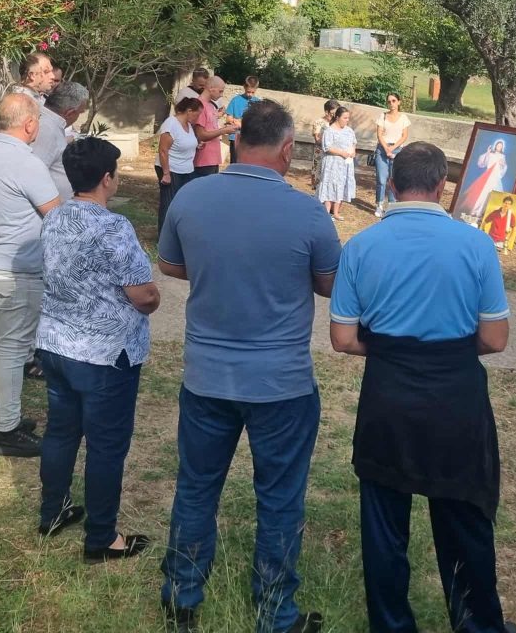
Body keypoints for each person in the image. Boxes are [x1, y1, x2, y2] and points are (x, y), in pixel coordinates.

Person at [158, 100, 342, 633]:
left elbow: (170, 263)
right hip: (281, 383)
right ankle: (275, 614)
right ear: (286, 149)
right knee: (280, 499)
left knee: (196, 487)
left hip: (206, 376)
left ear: (237, 142)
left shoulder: (192, 197)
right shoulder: (308, 212)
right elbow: (330, 283)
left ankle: (182, 597)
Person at [330, 142, 516, 633]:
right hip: (456, 398)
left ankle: (392, 625)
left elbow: (343, 339)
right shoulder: (475, 245)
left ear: (392, 184)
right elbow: (495, 339)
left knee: (384, 524)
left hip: (387, 396)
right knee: (464, 519)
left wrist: (394, 349)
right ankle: (478, 624)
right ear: (443, 186)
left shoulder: (360, 247)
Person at [36, 138, 160, 561]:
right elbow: (142, 294)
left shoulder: (54, 217)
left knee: (61, 432)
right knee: (106, 446)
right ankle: (102, 537)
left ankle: (53, 511)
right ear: (107, 178)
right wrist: (154, 299)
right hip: (104, 355)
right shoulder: (113, 227)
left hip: (56, 345)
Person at [0, 92, 61, 457]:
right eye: (37, 121)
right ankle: (6, 430)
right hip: (18, 269)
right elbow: (55, 213)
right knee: (11, 349)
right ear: (29, 124)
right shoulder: (24, 161)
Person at [32, 80, 89, 204]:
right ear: (70, 113)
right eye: (79, 113)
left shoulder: (51, 124)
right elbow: (33, 178)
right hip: (49, 210)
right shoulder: (47, 129)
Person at [156, 97, 203, 234]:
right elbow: (163, 150)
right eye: (197, 114)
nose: (198, 118)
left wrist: (196, 145)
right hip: (172, 169)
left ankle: (177, 233)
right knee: (168, 203)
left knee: (182, 202)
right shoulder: (171, 124)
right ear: (189, 111)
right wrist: (166, 173)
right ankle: (163, 236)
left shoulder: (188, 125)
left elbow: (184, 142)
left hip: (186, 169)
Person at [373, 92, 412, 216]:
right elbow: (379, 134)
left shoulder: (403, 118)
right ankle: (379, 204)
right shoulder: (383, 116)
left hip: (396, 149)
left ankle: (391, 205)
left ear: (399, 102)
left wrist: (393, 148)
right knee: (381, 179)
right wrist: (386, 148)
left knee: (393, 179)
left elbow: (404, 136)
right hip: (382, 150)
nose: (391, 104)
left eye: (394, 101)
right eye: (389, 101)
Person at [191, 76, 237, 178]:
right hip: (203, 159)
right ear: (211, 88)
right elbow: (201, 135)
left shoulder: (211, 105)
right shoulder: (199, 105)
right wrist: (223, 131)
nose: (222, 95)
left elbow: (210, 127)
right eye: (220, 91)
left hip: (212, 158)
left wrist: (225, 127)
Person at [318, 106, 357, 220]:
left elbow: (353, 143)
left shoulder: (349, 131)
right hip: (332, 163)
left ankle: (336, 212)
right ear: (337, 117)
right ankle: (326, 211)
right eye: (345, 118)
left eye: (348, 118)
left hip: (345, 164)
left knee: (341, 185)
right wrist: (341, 153)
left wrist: (353, 151)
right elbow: (327, 147)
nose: (347, 120)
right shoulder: (329, 131)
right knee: (330, 184)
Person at [457, 138, 509, 222]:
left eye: (500, 146)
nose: (499, 147)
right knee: (482, 193)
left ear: (502, 148)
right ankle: (476, 211)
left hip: (495, 177)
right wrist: (487, 153)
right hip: (488, 175)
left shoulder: (502, 156)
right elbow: (482, 163)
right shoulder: (490, 154)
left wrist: (503, 165)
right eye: (498, 145)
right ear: (495, 146)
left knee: (492, 194)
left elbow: (504, 168)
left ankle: (486, 212)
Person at [225, 75, 260, 164]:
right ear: (244, 87)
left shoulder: (258, 103)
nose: (250, 94)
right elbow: (228, 119)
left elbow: (258, 122)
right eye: (248, 92)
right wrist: (235, 121)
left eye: (253, 92)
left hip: (250, 138)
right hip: (235, 137)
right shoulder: (235, 100)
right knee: (235, 163)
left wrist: (241, 123)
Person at [311, 99, 341, 190]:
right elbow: (317, 139)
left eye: (337, 114)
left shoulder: (338, 123)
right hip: (321, 155)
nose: (335, 116)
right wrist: (329, 142)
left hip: (334, 156)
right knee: (318, 180)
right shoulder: (319, 122)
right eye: (332, 114)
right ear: (326, 112)